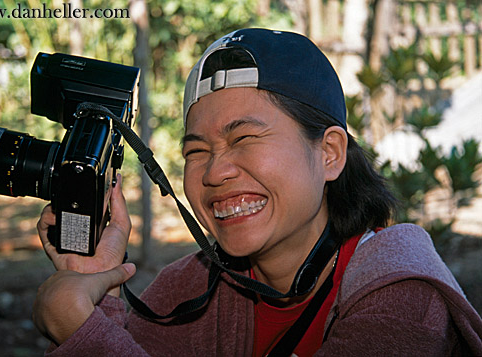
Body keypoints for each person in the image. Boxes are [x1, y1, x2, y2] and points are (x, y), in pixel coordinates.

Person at [33, 28, 482, 356]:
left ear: (329, 153)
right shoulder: (186, 290)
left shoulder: (401, 296)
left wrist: (85, 336)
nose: (214, 172)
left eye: (244, 138)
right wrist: (98, 293)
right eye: (196, 150)